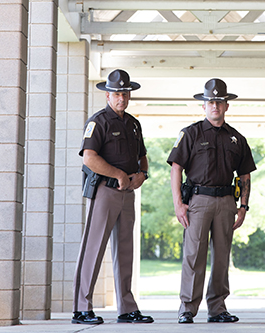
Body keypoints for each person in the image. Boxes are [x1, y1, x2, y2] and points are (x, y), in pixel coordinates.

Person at [167, 78, 256, 324]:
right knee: (194, 255)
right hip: (198, 201)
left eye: (219, 101)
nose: (215, 105)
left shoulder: (237, 138)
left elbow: (245, 174)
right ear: (204, 105)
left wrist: (244, 206)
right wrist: (178, 203)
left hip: (227, 202)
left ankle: (217, 308)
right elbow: (176, 167)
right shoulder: (190, 133)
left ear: (227, 106)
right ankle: (187, 308)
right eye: (210, 101)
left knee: (221, 257)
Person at [72, 69, 154, 325]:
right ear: (108, 95)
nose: (121, 98)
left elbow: (142, 156)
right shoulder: (99, 122)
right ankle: (81, 308)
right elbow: (89, 157)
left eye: (125, 93)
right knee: (93, 248)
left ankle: (127, 308)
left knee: (126, 251)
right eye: (117, 93)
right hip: (105, 192)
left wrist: (142, 174)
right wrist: (118, 174)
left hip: (128, 193)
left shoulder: (133, 124)